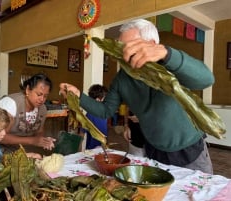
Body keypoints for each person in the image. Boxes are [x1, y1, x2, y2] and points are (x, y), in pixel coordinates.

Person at [59, 19, 214, 174]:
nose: (123, 53)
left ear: (151, 44)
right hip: (154, 151)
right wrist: (79, 95)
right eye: (120, 47)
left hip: (190, 150)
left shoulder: (169, 64)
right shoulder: (121, 79)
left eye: (130, 46)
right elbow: (106, 110)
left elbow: (206, 79)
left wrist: (167, 53)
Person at [0, 73, 55, 154]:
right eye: (39, 94)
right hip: (2, 152)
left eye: (45, 96)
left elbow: (39, 131)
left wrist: (43, 141)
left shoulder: (42, 109)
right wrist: (32, 141)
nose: (42, 99)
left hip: (26, 152)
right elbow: (0, 137)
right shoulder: (11, 104)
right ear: (28, 89)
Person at [80, 84, 108, 149]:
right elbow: (82, 133)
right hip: (92, 150)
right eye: (105, 98)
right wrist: (80, 151)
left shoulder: (104, 113)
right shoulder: (90, 115)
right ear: (98, 100)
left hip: (103, 148)